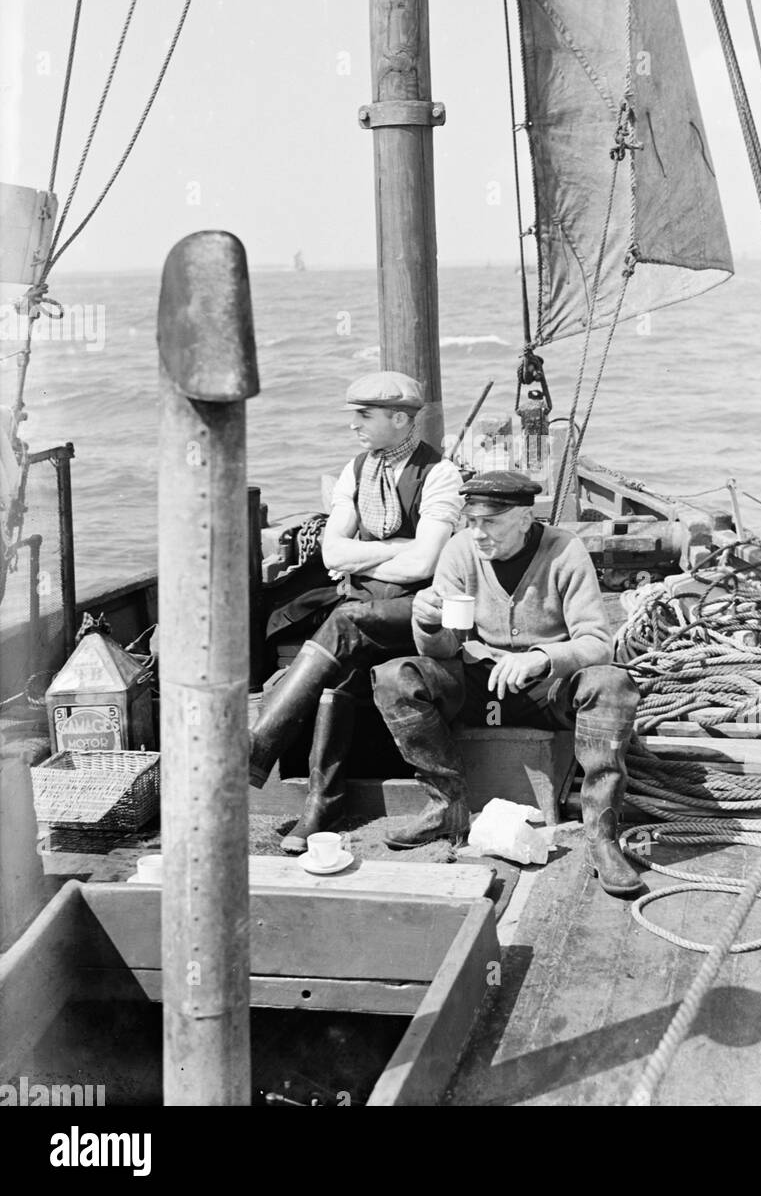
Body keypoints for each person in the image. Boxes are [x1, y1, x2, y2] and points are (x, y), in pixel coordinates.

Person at [371, 470, 643, 897]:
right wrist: (425, 622)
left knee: (611, 685)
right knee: (395, 677)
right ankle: (446, 807)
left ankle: (600, 836)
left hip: (546, 687)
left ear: (523, 518)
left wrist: (540, 659)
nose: (477, 533)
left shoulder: (564, 550)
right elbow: (441, 649)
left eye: (490, 522)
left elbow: (597, 643)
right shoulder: (460, 550)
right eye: (471, 521)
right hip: (480, 681)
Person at [249, 370, 462, 853]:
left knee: (342, 622)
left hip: (421, 610)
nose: (354, 426)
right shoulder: (356, 470)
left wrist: (371, 550)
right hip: (364, 606)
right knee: (339, 672)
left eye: (364, 416)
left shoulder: (440, 475)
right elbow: (332, 556)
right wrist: (396, 547)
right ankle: (324, 803)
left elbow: (425, 564)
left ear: (400, 418)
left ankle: (260, 745)